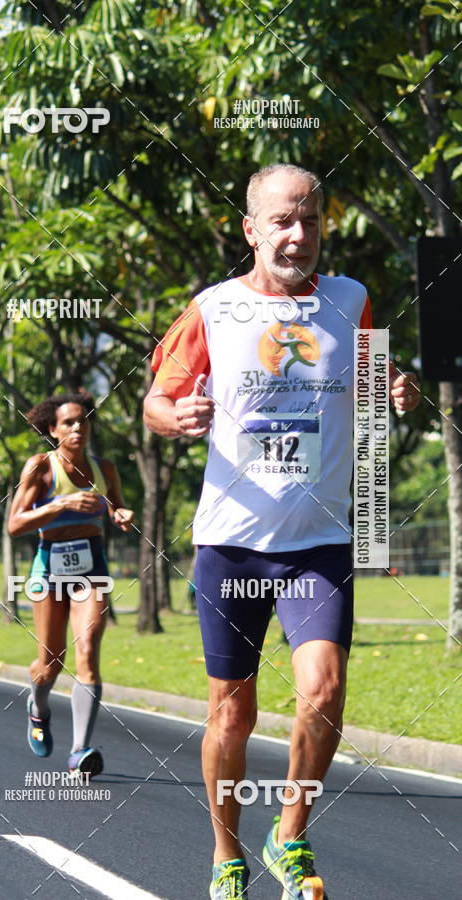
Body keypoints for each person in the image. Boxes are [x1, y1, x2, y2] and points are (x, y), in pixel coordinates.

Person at [143, 164, 420, 899]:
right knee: (231, 711)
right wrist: (175, 417)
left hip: (319, 544)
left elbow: (376, 376)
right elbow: (157, 401)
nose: (299, 236)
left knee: (323, 690)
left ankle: (288, 833)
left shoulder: (352, 300)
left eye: (312, 221)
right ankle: (225, 852)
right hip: (231, 544)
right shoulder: (209, 311)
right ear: (251, 229)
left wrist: (399, 387)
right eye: (282, 222)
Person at [8, 391, 134, 775]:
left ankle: (80, 750)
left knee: (88, 653)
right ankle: (38, 707)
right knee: (51, 662)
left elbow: (115, 506)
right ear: (52, 429)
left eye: (83, 420)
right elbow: (15, 524)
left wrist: (121, 513)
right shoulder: (40, 467)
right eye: (68, 422)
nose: (78, 427)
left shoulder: (104, 467)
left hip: (91, 569)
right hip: (49, 571)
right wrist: (60, 504)